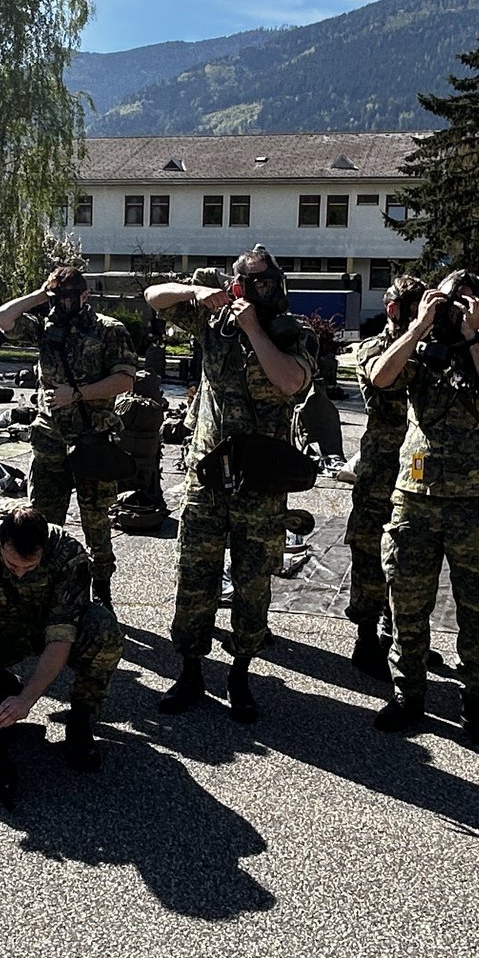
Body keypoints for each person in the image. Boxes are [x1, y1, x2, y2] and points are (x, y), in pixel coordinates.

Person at [144, 246, 312, 722]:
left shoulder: (289, 333)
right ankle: (191, 670)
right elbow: (153, 296)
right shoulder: (212, 326)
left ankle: (240, 672)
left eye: (267, 281)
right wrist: (200, 292)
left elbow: (290, 382)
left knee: (252, 583)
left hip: (261, 482)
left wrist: (253, 329)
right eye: (250, 282)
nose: (260, 290)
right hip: (208, 476)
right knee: (194, 579)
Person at [366, 270, 479, 751]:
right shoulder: (419, 350)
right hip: (414, 499)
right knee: (407, 605)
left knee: (478, 610)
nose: (455, 311)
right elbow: (379, 376)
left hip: (475, 506)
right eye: (450, 301)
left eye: (466, 303)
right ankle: (407, 694)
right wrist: (418, 327)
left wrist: (472, 338)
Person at [0, 506, 125, 798]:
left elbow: (60, 636)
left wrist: (26, 700)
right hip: (5, 626)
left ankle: (80, 719)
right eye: (12, 565)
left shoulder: (69, 553)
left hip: (52, 628)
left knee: (104, 630)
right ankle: (3, 686)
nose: (19, 574)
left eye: (29, 568)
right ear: (0, 541)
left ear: (43, 549)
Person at [0, 266, 139, 606]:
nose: (63, 305)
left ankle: (101, 587)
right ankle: (43, 587)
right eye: (58, 298)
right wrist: (42, 294)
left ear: (85, 296)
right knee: (41, 519)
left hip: (92, 440)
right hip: (50, 439)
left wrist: (77, 393)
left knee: (96, 521)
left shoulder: (107, 330)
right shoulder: (46, 327)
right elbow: (3, 318)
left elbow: (124, 380)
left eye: (69, 298)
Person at [345, 276, 423, 680]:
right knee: (369, 550)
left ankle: (402, 637)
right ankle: (365, 635)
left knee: (411, 557)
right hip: (381, 466)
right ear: (394, 311)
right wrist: (415, 332)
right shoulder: (374, 346)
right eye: (413, 308)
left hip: (420, 469)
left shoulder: (431, 349)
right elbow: (383, 376)